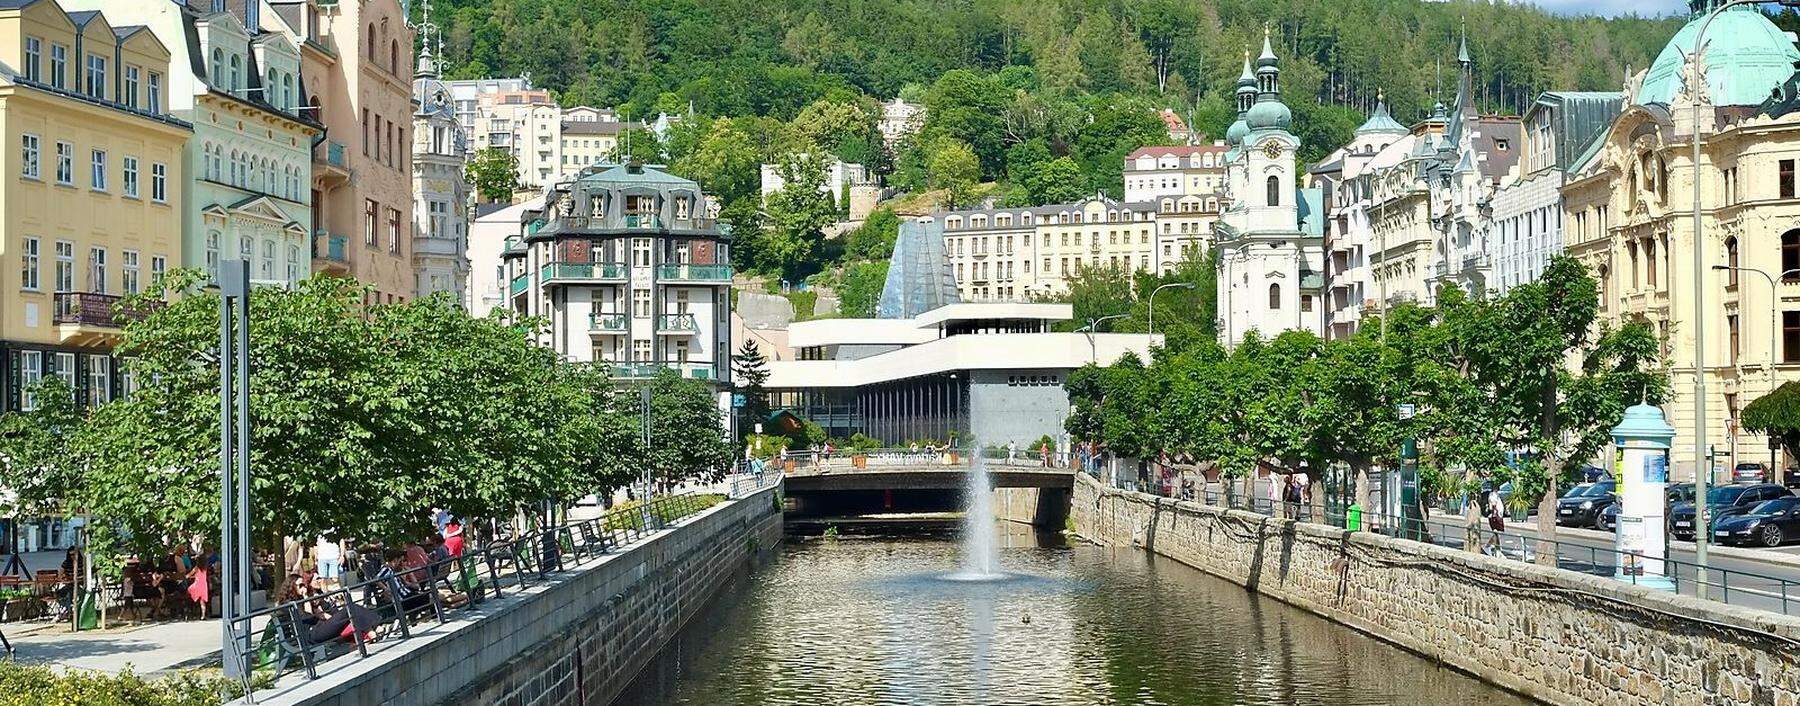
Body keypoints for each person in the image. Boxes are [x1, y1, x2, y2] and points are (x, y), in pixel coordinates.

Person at [1485, 486, 1506, 556]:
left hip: (1497, 516)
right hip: (1495, 516)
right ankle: (1488, 546)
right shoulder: (1493, 494)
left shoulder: (1495, 494)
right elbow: (1492, 504)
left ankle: (1497, 550)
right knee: (1496, 532)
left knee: (1497, 533)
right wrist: (1495, 512)